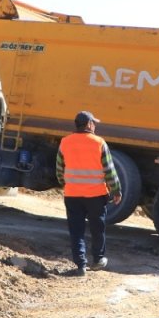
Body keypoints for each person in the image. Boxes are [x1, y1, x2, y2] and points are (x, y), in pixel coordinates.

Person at [55, 110, 122, 276]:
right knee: (97, 228)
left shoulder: (65, 142)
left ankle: (80, 266)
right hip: (96, 195)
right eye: (94, 123)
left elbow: (59, 170)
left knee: (76, 230)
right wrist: (116, 190)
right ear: (89, 124)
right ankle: (98, 260)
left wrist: (67, 184)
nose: (95, 126)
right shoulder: (99, 143)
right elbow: (109, 170)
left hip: (72, 195)